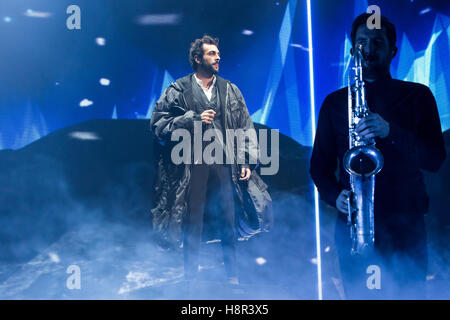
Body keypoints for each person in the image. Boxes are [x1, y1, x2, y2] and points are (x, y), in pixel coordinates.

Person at [310, 13, 446, 299]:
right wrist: (335, 195)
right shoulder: (334, 104)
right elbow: (319, 167)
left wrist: (390, 132)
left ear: (393, 50)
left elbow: (435, 159)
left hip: (405, 226)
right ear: (351, 49)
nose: (368, 50)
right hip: (354, 228)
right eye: (361, 43)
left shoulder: (418, 97)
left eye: (377, 43)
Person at [150, 35, 272, 285]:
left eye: (218, 53)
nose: (218, 57)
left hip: (225, 163)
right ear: (197, 58)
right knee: (192, 219)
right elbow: (157, 125)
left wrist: (247, 160)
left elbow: (246, 126)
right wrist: (190, 119)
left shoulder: (230, 90)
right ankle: (190, 277)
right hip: (191, 164)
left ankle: (232, 275)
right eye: (211, 53)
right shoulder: (178, 90)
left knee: (229, 215)